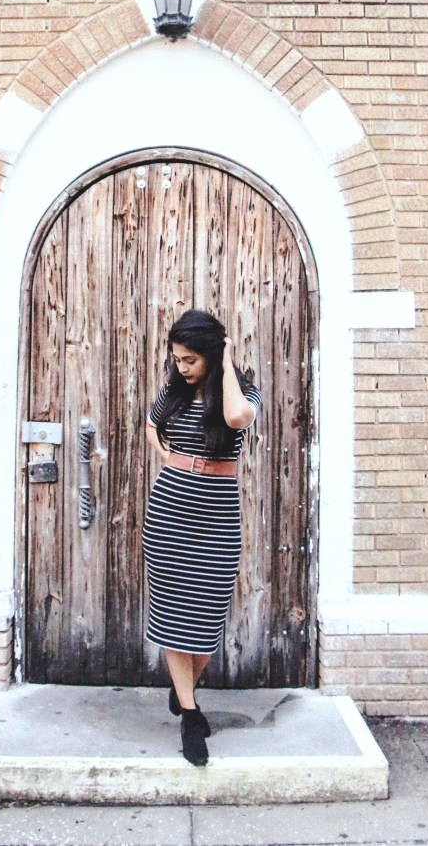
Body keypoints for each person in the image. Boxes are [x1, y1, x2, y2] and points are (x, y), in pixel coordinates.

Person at [143, 309, 261, 766]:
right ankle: (191, 716)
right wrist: (168, 456)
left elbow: (235, 416)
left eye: (190, 359)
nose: (182, 367)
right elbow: (151, 424)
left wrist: (226, 362)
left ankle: (183, 689)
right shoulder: (173, 389)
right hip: (170, 508)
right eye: (176, 359)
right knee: (175, 612)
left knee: (208, 614)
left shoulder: (243, 391)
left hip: (217, 512)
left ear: (212, 354)